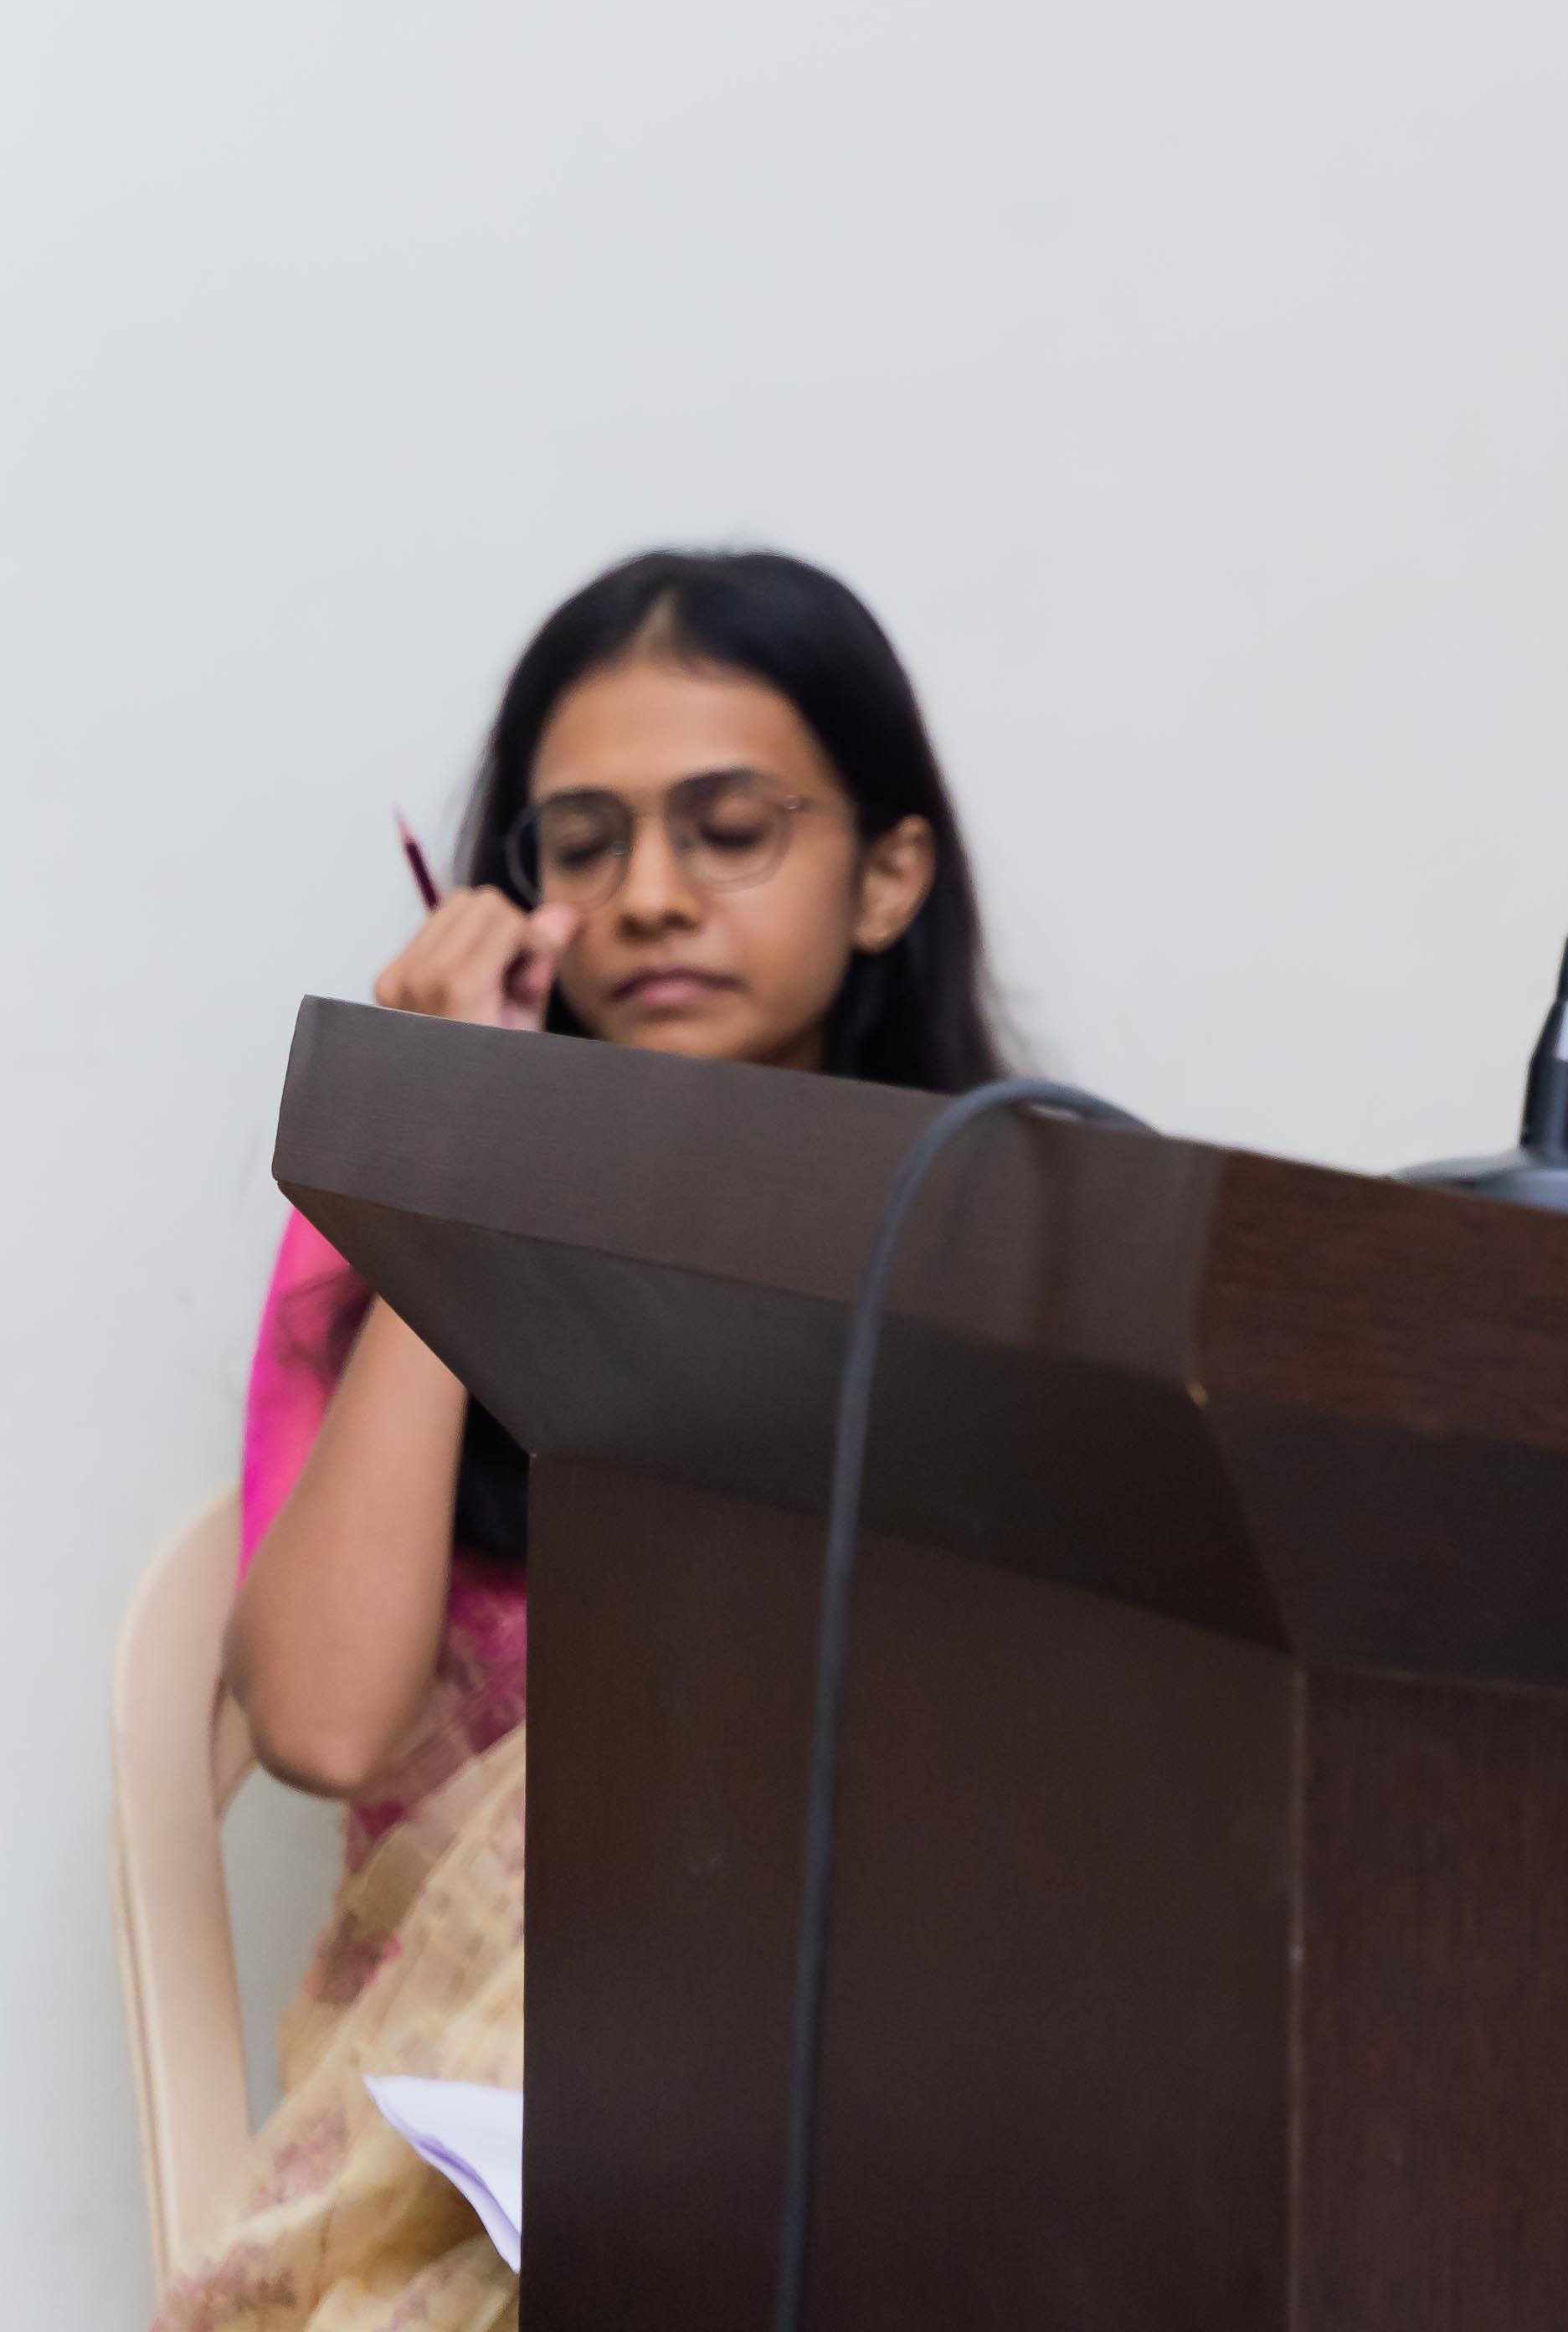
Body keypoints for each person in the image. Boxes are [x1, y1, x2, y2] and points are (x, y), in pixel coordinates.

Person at [162, 551, 1001, 2332]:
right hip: (492, 2167)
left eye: (730, 828)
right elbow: (322, 1720)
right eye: (586, 842)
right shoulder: (395, 1235)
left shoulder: (1017, 1250)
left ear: (889, 875)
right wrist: (459, 1163)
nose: (652, 896)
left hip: (917, 2119)